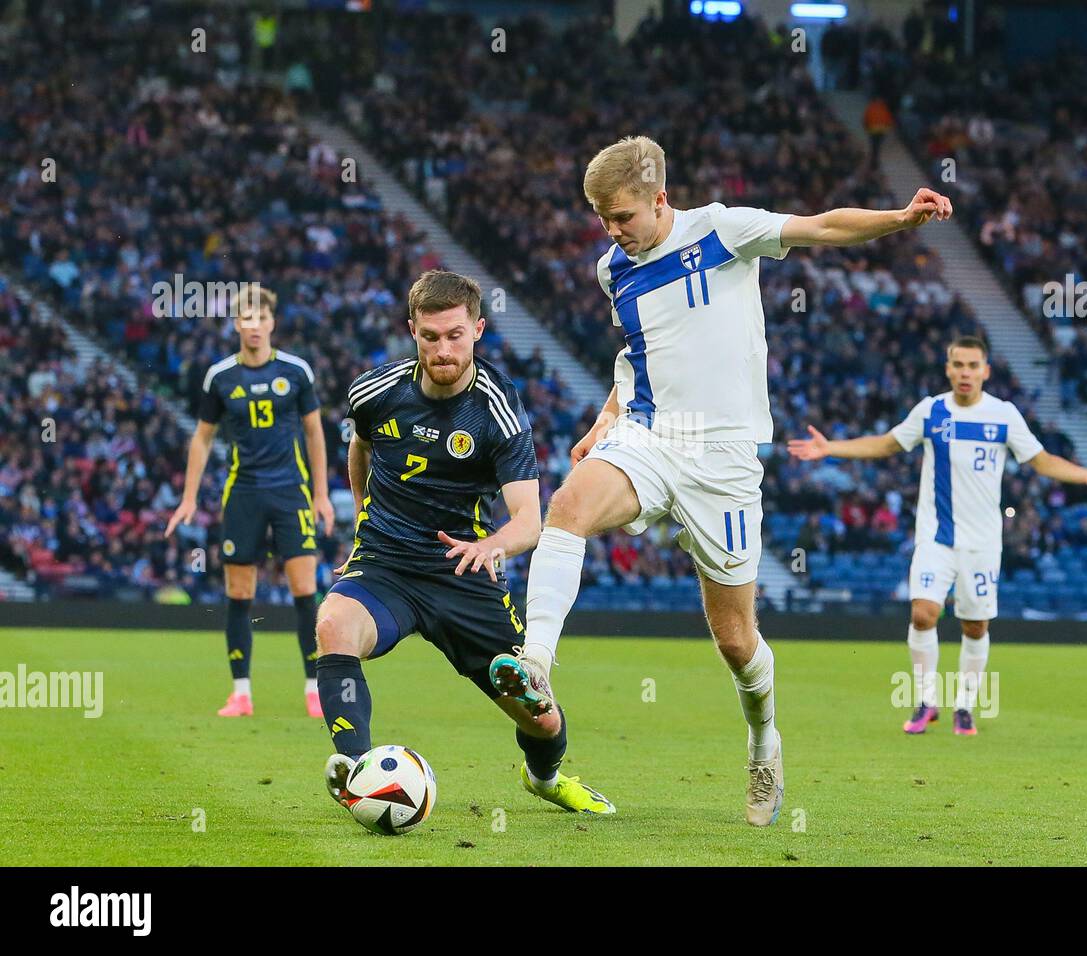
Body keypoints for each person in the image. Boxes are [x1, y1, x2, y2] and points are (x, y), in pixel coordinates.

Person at [493, 134, 953, 826]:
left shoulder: (723, 229)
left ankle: (764, 741)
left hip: (728, 454)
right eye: (601, 219)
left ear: (660, 200)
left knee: (736, 642)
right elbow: (638, 355)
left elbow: (822, 225)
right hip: (655, 435)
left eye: (622, 217)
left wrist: (897, 219)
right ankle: (535, 664)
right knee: (569, 505)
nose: (612, 232)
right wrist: (603, 423)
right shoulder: (612, 270)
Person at [315, 270, 614, 816]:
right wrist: (363, 511)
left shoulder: (498, 408)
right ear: (412, 331)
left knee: (541, 714)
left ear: (477, 329)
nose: (443, 349)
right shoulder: (374, 392)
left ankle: (544, 777)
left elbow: (529, 519)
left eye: (455, 335)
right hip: (386, 565)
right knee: (333, 626)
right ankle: (357, 770)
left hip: (463, 574)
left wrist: (492, 546)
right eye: (430, 337)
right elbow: (360, 448)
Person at [789, 337, 1087, 736]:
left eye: (973, 365)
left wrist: (1085, 475)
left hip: (983, 543)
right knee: (922, 612)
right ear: (948, 368)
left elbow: (1040, 460)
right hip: (936, 536)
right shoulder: (931, 411)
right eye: (958, 365)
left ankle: (964, 705)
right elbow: (887, 444)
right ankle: (927, 700)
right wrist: (832, 449)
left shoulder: (1004, 415)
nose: (965, 373)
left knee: (975, 626)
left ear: (986, 370)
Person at [166, 287, 334, 717]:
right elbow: (202, 438)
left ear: (271, 322)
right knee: (239, 592)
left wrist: (320, 494)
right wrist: (188, 497)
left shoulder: (296, 372)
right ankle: (241, 692)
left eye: (261, 318)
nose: (254, 325)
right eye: (246, 318)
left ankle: (314, 688)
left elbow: (315, 433)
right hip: (243, 493)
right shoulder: (220, 376)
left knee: (305, 588)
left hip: (290, 490)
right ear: (237, 324)